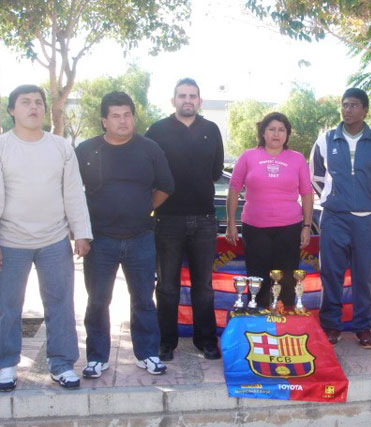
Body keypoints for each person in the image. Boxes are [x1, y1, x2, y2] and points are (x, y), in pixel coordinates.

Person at [0, 85, 92, 391]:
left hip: (54, 240)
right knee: (6, 306)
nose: (33, 107)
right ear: (12, 110)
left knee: (60, 303)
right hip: (9, 242)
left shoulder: (61, 147)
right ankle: (5, 364)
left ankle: (62, 364)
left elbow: (73, 193)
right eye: (25, 102)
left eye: (38, 102)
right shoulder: (2, 147)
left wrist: (81, 233)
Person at [76, 91, 174, 378]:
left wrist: (144, 208)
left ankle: (148, 354)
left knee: (143, 299)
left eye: (127, 115)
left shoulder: (150, 149)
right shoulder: (86, 150)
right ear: (104, 121)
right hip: (100, 239)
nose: (123, 121)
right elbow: (71, 192)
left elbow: (166, 187)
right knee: (97, 300)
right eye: (116, 116)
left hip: (141, 237)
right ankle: (96, 357)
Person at [145, 78, 224, 361]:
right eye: (182, 95)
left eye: (192, 96)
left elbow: (216, 171)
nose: (187, 100)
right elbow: (148, 171)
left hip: (204, 219)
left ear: (200, 101)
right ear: (173, 100)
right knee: (167, 286)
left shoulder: (211, 130)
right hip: (167, 220)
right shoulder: (157, 130)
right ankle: (166, 342)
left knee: (204, 286)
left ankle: (206, 341)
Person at [310, 88, 371, 349]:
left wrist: (368, 199)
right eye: (344, 105)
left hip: (367, 219)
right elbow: (316, 176)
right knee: (331, 273)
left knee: (365, 275)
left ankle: (363, 327)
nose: (348, 110)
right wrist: (334, 198)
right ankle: (332, 325)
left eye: (354, 105)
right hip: (334, 217)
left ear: (365, 110)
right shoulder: (326, 140)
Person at [226, 112, 313, 308]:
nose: (276, 134)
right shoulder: (248, 156)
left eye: (281, 130)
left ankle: (285, 324)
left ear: (287, 134)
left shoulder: (297, 159)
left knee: (287, 280)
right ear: (263, 133)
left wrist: (306, 226)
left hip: (289, 228)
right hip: (255, 228)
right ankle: (257, 325)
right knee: (258, 279)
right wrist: (231, 222)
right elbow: (233, 188)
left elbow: (307, 193)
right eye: (271, 129)